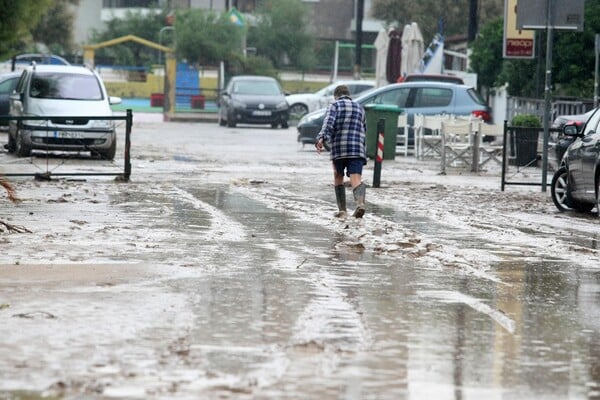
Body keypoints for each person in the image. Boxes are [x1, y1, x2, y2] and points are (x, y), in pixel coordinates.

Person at [315, 84, 367, 218]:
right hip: (357, 149)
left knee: (338, 176)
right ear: (349, 95)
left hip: (339, 149)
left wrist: (321, 139)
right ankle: (360, 203)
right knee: (356, 178)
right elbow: (364, 129)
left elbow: (328, 124)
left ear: (336, 96)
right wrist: (363, 148)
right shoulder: (360, 108)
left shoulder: (335, 105)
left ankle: (342, 210)